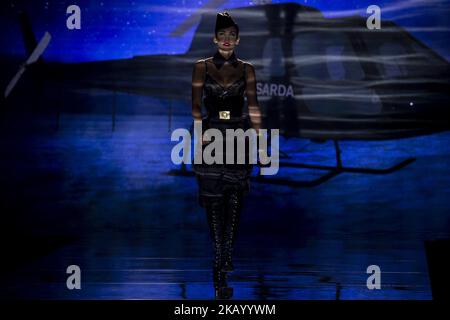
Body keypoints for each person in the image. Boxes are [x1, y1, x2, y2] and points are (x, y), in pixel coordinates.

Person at [191, 11, 262, 299]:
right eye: (223, 35)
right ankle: (219, 257)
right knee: (213, 202)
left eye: (232, 35)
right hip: (211, 134)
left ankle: (225, 257)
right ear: (214, 38)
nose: (227, 40)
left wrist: (259, 140)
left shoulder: (247, 69)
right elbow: (195, 106)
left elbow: (254, 107)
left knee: (234, 198)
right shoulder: (202, 67)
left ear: (238, 39)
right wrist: (200, 132)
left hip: (238, 134)